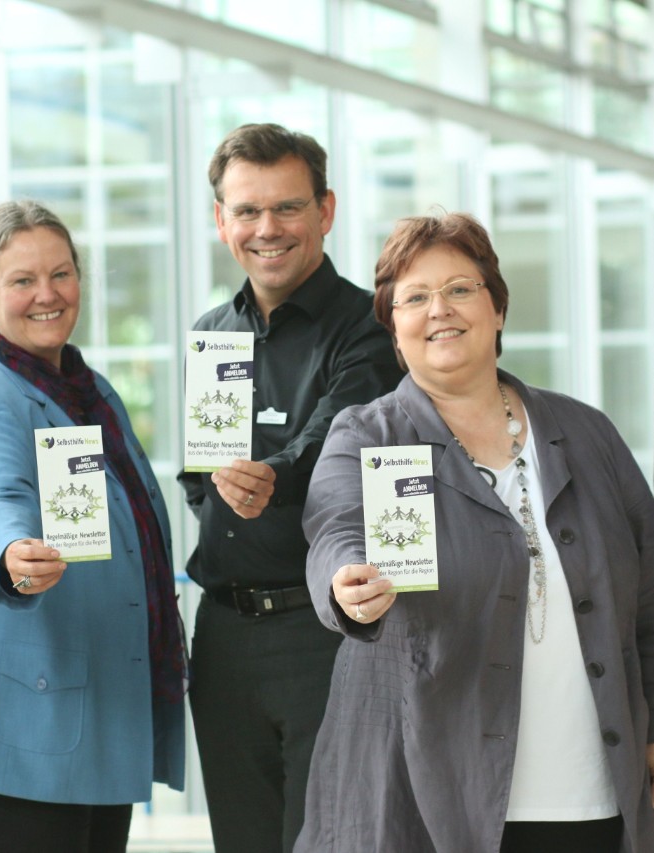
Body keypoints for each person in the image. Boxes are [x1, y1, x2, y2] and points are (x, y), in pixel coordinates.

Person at [297, 212, 654, 853]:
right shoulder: (366, 433)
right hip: (430, 787)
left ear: (498, 309)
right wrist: (347, 583)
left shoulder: (586, 432)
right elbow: (336, 529)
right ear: (393, 330)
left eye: (460, 288)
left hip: (591, 781)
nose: (441, 310)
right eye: (416, 297)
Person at [0, 200, 185, 853]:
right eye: (22, 280)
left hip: (88, 713)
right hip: (24, 723)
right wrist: (12, 551)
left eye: (61, 274)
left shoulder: (88, 391)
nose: (47, 294)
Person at [178, 123, 404, 852]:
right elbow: (197, 480)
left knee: (332, 839)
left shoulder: (368, 327)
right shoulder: (211, 334)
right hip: (222, 639)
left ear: (326, 210)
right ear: (220, 221)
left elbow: (337, 440)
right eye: (246, 210)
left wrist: (269, 478)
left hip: (324, 636)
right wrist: (228, 485)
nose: (266, 229)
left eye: (287, 208)